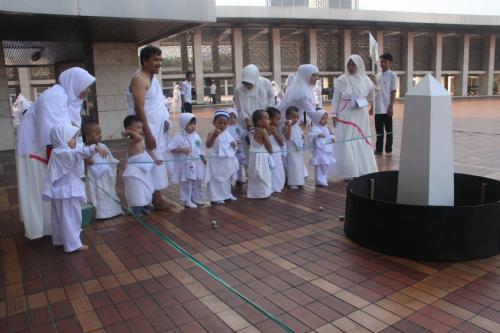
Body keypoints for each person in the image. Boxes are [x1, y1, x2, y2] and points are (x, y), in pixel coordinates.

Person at [43, 125, 107, 252]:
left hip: (62, 191)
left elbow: (79, 150)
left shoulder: (60, 151)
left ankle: (61, 239)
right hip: (67, 192)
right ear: (62, 139)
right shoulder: (63, 152)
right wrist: (95, 147)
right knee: (71, 216)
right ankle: (72, 243)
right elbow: (79, 152)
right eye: (72, 138)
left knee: (61, 217)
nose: (75, 140)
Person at [127, 45, 172, 211]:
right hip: (146, 130)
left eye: (160, 60)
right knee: (149, 161)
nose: (158, 63)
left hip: (156, 129)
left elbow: (158, 105)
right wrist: (148, 132)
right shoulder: (139, 79)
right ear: (144, 60)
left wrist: (165, 120)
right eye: (155, 60)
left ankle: (156, 197)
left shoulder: (153, 79)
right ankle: (155, 199)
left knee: (157, 160)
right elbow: (139, 109)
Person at [331, 54, 378, 179]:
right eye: (349, 65)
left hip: (360, 113)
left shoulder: (366, 80)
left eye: (353, 65)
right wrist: (334, 114)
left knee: (360, 138)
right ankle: (349, 171)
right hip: (346, 113)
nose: (351, 67)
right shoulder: (342, 79)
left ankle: (362, 169)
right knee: (347, 139)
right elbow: (336, 98)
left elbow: (371, 95)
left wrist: (373, 91)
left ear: (359, 66)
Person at [234, 64, 274, 165]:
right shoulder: (239, 89)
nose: (247, 86)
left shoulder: (266, 83)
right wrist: (246, 119)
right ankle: (251, 174)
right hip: (248, 123)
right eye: (245, 83)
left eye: (250, 83)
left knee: (265, 147)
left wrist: (265, 116)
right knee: (249, 149)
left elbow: (271, 99)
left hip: (264, 120)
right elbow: (239, 108)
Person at [83, 122, 122, 219]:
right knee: (97, 194)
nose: (100, 135)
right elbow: (86, 160)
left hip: (105, 177)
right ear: (88, 137)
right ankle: (101, 213)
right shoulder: (85, 149)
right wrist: (93, 152)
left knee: (108, 192)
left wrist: (115, 166)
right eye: (97, 134)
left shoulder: (103, 146)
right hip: (95, 179)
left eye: (100, 133)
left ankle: (113, 211)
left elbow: (110, 159)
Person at [122, 115, 158, 216]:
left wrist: (155, 159)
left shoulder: (140, 138)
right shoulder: (130, 139)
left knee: (145, 188)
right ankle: (136, 208)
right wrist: (129, 133)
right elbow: (137, 138)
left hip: (143, 167)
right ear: (129, 129)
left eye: (141, 128)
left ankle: (145, 205)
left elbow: (146, 150)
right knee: (136, 189)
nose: (140, 130)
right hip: (134, 168)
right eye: (137, 128)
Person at [168, 113, 206, 208]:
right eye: (190, 124)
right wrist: (182, 150)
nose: (193, 127)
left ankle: (195, 197)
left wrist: (203, 159)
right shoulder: (178, 137)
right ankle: (187, 199)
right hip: (186, 165)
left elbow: (200, 149)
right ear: (183, 124)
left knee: (197, 180)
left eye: (194, 124)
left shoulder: (196, 136)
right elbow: (171, 148)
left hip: (196, 164)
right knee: (187, 182)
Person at [205, 110, 238, 204]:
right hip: (216, 161)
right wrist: (214, 136)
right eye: (219, 123)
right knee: (215, 180)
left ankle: (226, 194)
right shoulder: (211, 133)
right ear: (214, 122)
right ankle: (215, 197)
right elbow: (208, 145)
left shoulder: (228, 134)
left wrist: (234, 145)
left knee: (226, 179)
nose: (222, 125)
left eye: (225, 123)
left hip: (226, 162)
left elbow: (234, 146)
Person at [373, 53, 397, 157]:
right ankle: (378, 149)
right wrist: (372, 106)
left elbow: (393, 91)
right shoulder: (377, 76)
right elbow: (375, 92)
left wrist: (391, 106)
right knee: (379, 130)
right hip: (378, 108)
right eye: (381, 61)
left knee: (389, 130)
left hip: (387, 108)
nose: (382, 63)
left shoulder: (392, 75)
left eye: (385, 62)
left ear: (390, 63)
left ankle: (388, 149)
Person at [247, 110, 273, 199]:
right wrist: (271, 152)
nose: (269, 121)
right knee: (263, 173)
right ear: (260, 122)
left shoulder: (251, 130)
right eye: (267, 119)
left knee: (254, 174)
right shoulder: (263, 132)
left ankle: (254, 193)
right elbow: (268, 145)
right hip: (261, 156)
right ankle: (263, 193)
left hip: (253, 156)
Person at [308, 110, 336, 186]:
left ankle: (324, 178)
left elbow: (329, 135)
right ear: (317, 119)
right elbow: (310, 135)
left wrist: (332, 138)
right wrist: (317, 135)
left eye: (326, 118)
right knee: (320, 165)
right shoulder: (315, 128)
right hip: (319, 150)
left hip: (326, 150)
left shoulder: (327, 128)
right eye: (322, 118)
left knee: (326, 164)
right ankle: (319, 180)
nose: (324, 120)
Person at [283, 106, 305, 189]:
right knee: (293, 164)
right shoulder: (286, 126)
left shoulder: (297, 126)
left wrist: (302, 137)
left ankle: (299, 181)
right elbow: (287, 137)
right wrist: (289, 127)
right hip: (291, 148)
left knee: (299, 165)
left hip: (298, 148)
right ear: (287, 117)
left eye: (297, 117)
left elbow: (300, 133)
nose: (295, 119)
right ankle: (292, 182)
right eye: (293, 117)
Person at [266, 107, 285, 193]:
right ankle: (277, 186)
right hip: (276, 151)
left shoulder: (264, 128)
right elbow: (279, 140)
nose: (279, 121)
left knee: (271, 169)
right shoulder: (273, 128)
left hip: (268, 151)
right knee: (277, 169)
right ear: (269, 119)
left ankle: (271, 185)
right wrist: (282, 144)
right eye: (277, 119)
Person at [227, 108, 247, 184]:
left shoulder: (238, 126)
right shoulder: (226, 128)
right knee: (231, 165)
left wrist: (248, 131)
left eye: (234, 117)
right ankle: (231, 179)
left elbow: (242, 134)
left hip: (239, 148)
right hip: (231, 150)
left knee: (239, 164)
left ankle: (239, 179)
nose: (232, 119)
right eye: (230, 117)